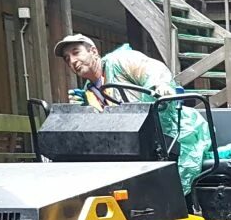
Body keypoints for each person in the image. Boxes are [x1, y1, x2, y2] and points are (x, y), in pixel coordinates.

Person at [55, 33, 213, 188]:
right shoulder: (89, 92)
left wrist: (160, 85)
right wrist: (85, 110)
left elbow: (150, 68)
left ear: (93, 51)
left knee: (176, 177)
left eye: (76, 53)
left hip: (171, 133)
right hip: (130, 147)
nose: (72, 61)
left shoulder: (120, 61)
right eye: (67, 59)